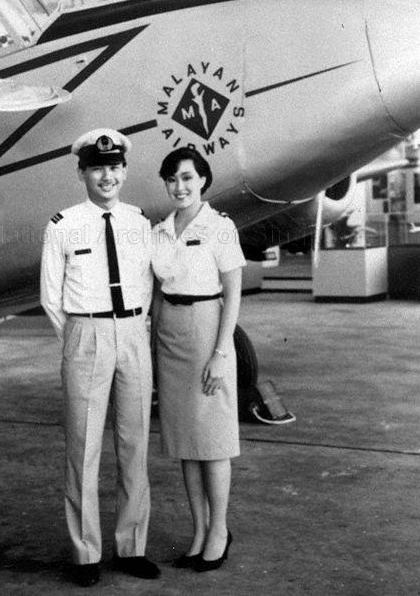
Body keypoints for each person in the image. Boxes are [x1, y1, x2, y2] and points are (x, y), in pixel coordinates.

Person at [40, 128, 160, 587]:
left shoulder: (139, 221)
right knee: (83, 449)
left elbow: (146, 281)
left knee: (134, 445)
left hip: (132, 333)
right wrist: (80, 335)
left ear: (124, 171)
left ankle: (132, 547)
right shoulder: (62, 225)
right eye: (96, 169)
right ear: (82, 174)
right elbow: (51, 296)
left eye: (114, 168)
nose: (107, 177)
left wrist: (136, 326)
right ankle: (85, 553)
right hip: (84, 332)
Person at [151, 146, 246, 573]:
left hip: (207, 329)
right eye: (172, 179)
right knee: (186, 443)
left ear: (203, 180)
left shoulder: (219, 226)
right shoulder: (160, 230)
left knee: (213, 440)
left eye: (187, 177)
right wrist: (154, 345)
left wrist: (221, 353)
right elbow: (157, 292)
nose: (180, 187)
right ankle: (199, 530)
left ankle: (219, 530)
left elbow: (233, 292)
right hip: (170, 333)